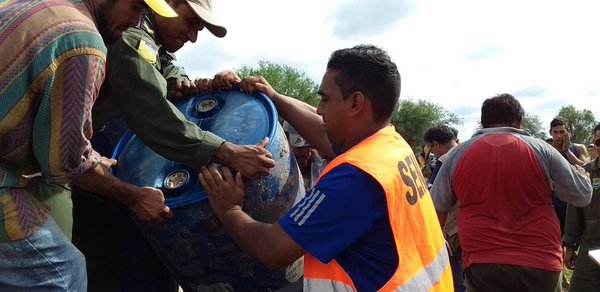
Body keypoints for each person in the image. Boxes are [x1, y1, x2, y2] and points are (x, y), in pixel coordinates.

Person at [199, 44, 453, 291]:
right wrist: (275, 99)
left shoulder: (355, 178)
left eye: (325, 99)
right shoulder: (391, 146)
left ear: (355, 103)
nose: (319, 110)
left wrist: (229, 209)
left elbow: (272, 249)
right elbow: (324, 134)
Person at [71, 1, 276, 291]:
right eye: (191, 22)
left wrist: (192, 85)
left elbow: (164, 65)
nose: (193, 36)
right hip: (83, 174)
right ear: (169, 5)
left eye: (199, 29)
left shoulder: (148, 38)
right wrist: (228, 152)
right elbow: (153, 114)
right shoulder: (132, 39)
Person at [0, 0, 177, 290]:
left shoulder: (35, 6)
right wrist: (135, 197)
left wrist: (88, 155)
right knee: (65, 271)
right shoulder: (85, 44)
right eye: (135, 6)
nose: (136, 20)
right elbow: (65, 163)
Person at [431, 93, 593, 292]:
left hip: (482, 262)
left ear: (483, 123)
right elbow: (582, 196)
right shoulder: (541, 149)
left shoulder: (457, 155)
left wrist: (438, 244)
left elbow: (436, 207)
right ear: (520, 121)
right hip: (540, 261)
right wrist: (583, 175)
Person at [423, 124, 465, 292]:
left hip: (452, 228)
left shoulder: (445, 160)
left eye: (432, 150)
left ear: (436, 144)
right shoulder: (470, 151)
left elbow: (435, 197)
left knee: (454, 277)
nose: (433, 154)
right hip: (475, 225)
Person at [563, 122, 600, 292]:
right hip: (591, 246)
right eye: (599, 142)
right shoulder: (584, 173)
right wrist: (570, 246)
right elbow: (574, 211)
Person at [282, 121, 327, 191]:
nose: (307, 154)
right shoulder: (274, 165)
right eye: (300, 147)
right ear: (285, 141)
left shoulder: (323, 162)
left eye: (310, 147)